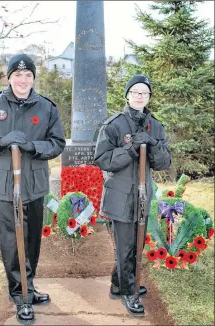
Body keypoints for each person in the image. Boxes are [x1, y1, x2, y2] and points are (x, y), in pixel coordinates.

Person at [0, 54, 66, 324]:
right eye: (18, 75)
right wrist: (1, 141)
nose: (23, 80)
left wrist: (34, 147)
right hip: (3, 185)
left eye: (28, 75)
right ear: (9, 77)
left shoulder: (46, 108)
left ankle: (29, 286)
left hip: (33, 184)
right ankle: (19, 294)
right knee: (12, 240)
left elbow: (57, 143)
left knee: (32, 238)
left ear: (33, 78)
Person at [94, 74, 171, 317]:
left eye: (144, 93)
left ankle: (120, 284)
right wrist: (129, 150)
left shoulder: (155, 126)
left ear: (149, 97)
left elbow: (164, 163)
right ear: (127, 94)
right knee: (127, 244)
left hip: (142, 194)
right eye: (135, 91)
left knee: (136, 241)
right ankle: (129, 290)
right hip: (120, 195)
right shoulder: (114, 125)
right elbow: (103, 160)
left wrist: (152, 145)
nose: (140, 96)